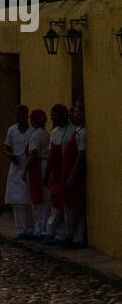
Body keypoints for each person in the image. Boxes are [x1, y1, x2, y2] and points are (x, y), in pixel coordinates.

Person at [45, 102, 75, 244]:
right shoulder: (55, 132)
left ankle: (62, 234)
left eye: (55, 114)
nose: (53, 118)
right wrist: (47, 172)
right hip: (54, 173)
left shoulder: (72, 131)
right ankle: (53, 232)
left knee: (64, 204)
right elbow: (51, 153)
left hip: (66, 172)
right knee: (55, 203)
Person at [3, 104, 34, 238]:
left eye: (18, 114)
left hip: (29, 166)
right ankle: (20, 228)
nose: (16, 117)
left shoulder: (32, 131)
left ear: (25, 115)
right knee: (17, 200)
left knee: (28, 199)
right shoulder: (12, 130)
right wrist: (10, 155)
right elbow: (6, 146)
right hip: (15, 168)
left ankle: (30, 227)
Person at [62, 96, 86, 248]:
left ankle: (76, 237)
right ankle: (71, 235)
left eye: (77, 110)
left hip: (75, 176)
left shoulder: (83, 133)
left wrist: (72, 176)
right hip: (69, 172)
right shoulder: (77, 130)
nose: (73, 113)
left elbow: (80, 155)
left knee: (75, 208)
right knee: (69, 206)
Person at [23, 108, 51, 238]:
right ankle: (43, 227)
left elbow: (33, 154)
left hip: (37, 168)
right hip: (43, 167)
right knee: (44, 199)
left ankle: (40, 228)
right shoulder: (45, 133)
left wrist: (25, 170)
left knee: (37, 200)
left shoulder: (36, 135)